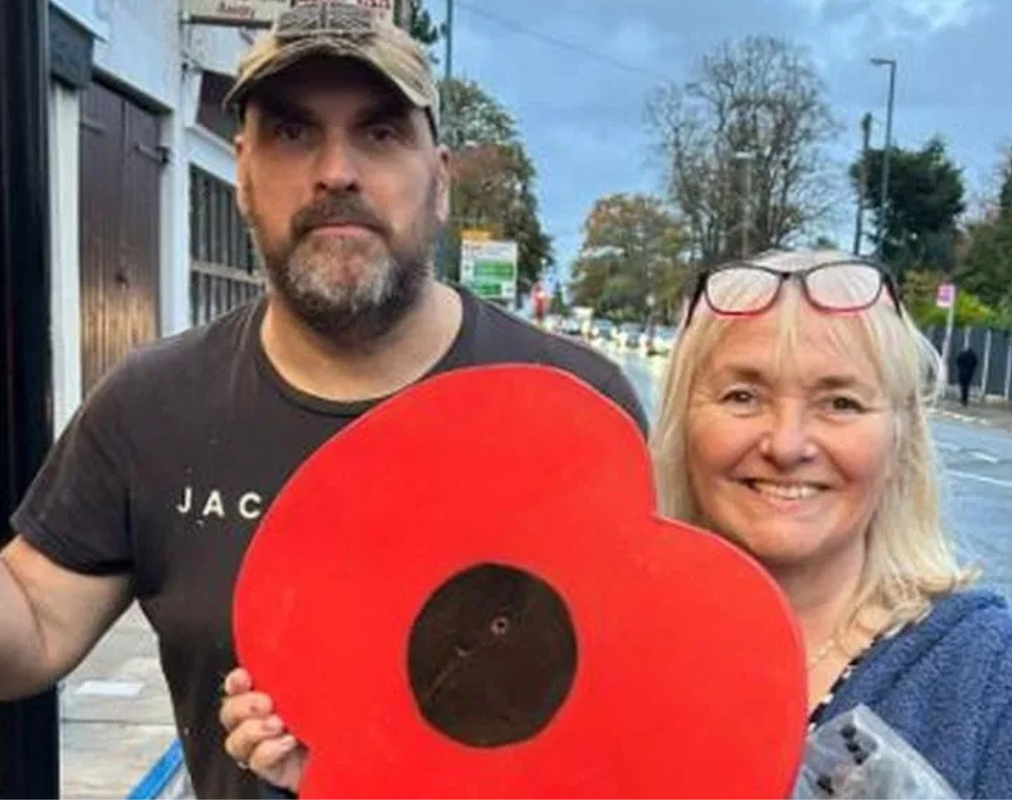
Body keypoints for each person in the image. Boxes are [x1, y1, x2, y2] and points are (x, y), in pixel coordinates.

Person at [0, 4, 645, 798]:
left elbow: (637, 712)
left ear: (438, 180)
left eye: (379, 133)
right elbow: (30, 621)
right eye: (293, 132)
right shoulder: (152, 407)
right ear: (241, 172)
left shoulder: (575, 408)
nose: (336, 171)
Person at [222, 249, 1012, 799]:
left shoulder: (990, 686)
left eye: (841, 402)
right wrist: (349, 776)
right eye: (742, 395)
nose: (788, 441)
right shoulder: (562, 650)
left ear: (901, 442)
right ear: (682, 421)